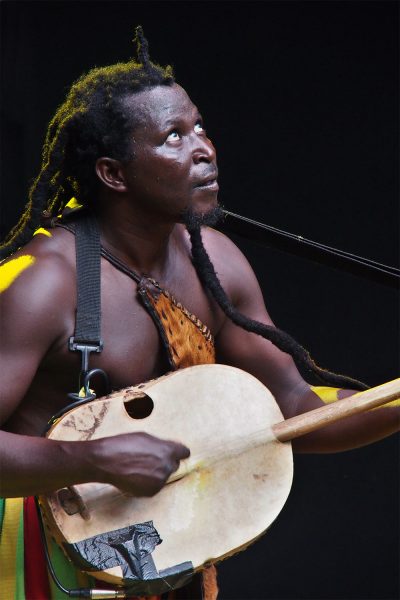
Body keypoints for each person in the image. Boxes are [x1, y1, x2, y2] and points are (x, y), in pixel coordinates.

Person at [0, 28, 398, 600]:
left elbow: (296, 407)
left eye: (200, 127)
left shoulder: (215, 260)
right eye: (172, 136)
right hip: (40, 568)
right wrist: (93, 459)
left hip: (163, 564)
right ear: (114, 174)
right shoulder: (43, 282)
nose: (203, 148)